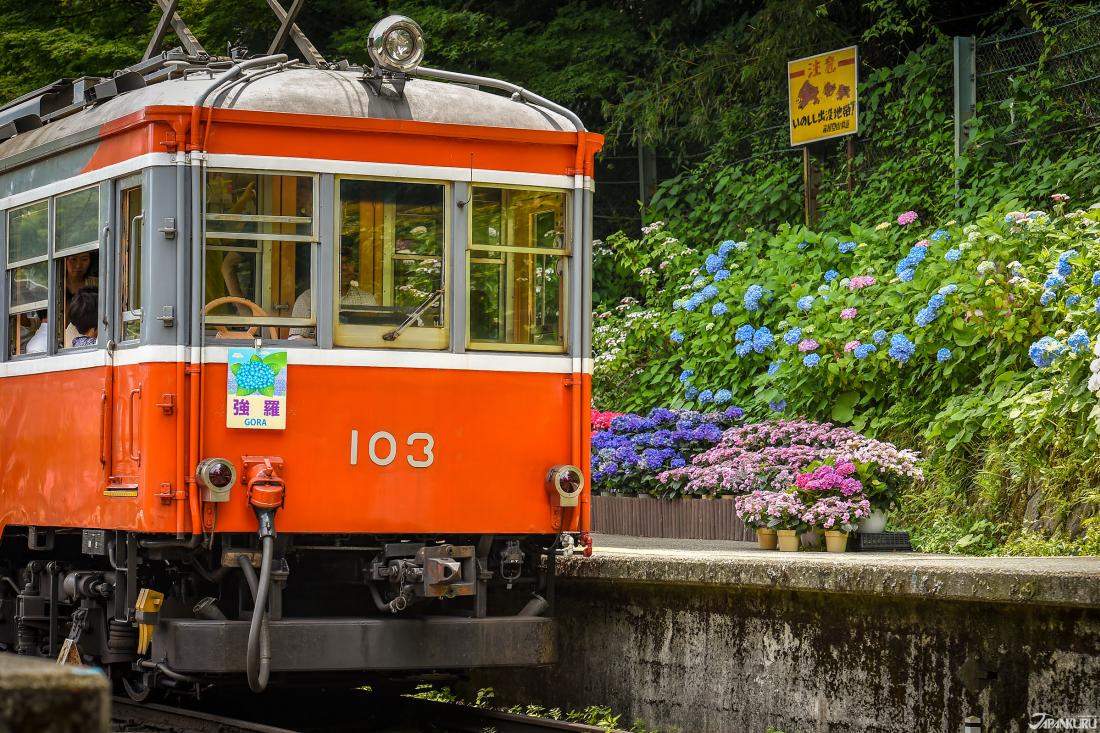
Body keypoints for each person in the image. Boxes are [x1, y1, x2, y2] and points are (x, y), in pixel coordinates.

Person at [289, 247, 376, 340]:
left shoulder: (366, 299)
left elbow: (377, 335)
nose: (345, 267)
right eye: (339, 262)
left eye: (349, 261)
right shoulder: (309, 299)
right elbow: (295, 339)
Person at [62, 251, 98, 347]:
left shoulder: (98, 282)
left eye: (84, 259)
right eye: (73, 259)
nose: (78, 265)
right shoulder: (56, 284)